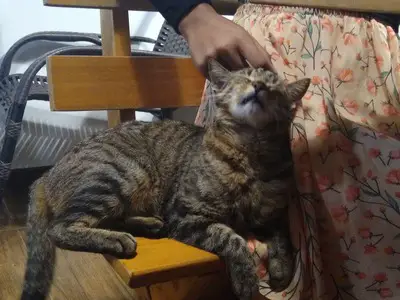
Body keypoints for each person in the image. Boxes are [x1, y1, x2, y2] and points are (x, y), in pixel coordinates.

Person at [149, 1, 400, 299]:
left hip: (369, 67)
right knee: (237, 256)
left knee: (371, 252)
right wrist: (191, 14)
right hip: (265, 48)